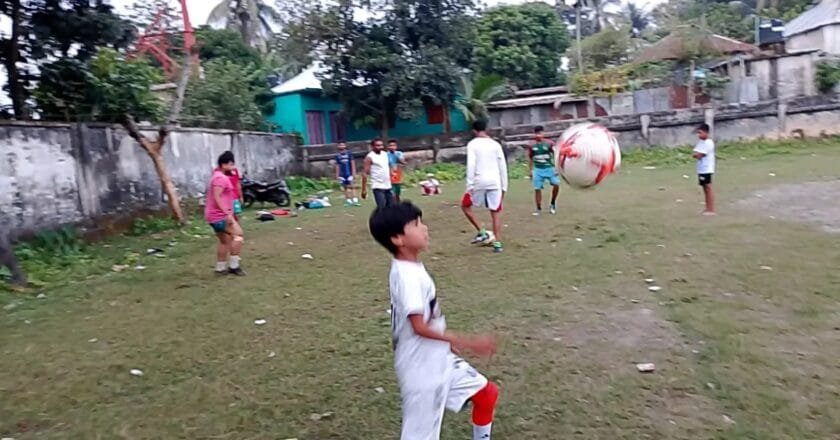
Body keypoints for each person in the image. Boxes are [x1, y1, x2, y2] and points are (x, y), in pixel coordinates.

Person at [369, 202, 499, 440]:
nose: (425, 228)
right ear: (397, 239)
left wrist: (445, 343)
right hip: (422, 370)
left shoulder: (410, 267)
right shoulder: (407, 276)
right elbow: (419, 326)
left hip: (438, 358)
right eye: (416, 224)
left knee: (486, 394)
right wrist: (467, 342)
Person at [462, 120, 508, 253]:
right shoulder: (495, 144)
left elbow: (471, 164)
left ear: (474, 131)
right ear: (486, 129)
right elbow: (502, 165)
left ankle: (482, 232)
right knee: (495, 212)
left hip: (479, 180)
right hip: (495, 181)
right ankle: (497, 244)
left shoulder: (472, 144)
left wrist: (469, 185)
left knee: (465, 206)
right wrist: (504, 186)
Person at [205, 151, 245, 275]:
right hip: (220, 216)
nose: (233, 167)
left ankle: (220, 268)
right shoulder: (220, 178)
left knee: (225, 241)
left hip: (214, 216)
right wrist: (227, 214)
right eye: (231, 164)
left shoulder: (217, 176)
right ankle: (234, 266)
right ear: (224, 165)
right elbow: (217, 197)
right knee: (238, 236)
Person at [528, 126, 560, 216]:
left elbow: (556, 155)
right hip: (538, 169)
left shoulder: (549, 143)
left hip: (549, 168)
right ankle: (538, 208)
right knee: (537, 189)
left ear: (543, 133)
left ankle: (552, 203)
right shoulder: (532, 145)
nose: (539, 135)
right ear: (534, 134)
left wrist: (556, 168)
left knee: (556, 184)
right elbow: (530, 158)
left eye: (540, 133)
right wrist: (530, 171)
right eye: (537, 133)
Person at [362, 138, 395, 209]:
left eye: (381, 145)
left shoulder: (385, 154)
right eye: (378, 145)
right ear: (372, 146)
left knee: (392, 207)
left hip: (388, 186)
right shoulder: (369, 157)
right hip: (378, 186)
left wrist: (391, 173)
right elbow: (365, 173)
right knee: (382, 207)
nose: (380, 147)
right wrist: (364, 189)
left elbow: (388, 165)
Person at [693, 123, 716, 215]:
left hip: (706, 169)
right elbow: (696, 153)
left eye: (700, 133)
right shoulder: (700, 142)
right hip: (701, 169)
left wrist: (696, 155)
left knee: (708, 188)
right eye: (698, 133)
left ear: (706, 132)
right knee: (704, 189)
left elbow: (699, 155)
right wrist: (696, 155)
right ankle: (707, 208)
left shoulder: (708, 143)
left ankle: (711, 209)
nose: (699, 135)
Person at [335, 141, 360, 206]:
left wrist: (354, 173)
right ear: (338, 146)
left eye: (343, 145)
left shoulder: (349, 154)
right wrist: (337, 175)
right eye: (340, 145)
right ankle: (348, 201)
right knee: (345, 187)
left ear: (345, 146)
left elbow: (352, 163)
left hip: (349, 173)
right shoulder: (337, 155)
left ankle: (355, 200)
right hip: (342, 174)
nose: (341, 146)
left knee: (352, 186)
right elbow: (337, 165)